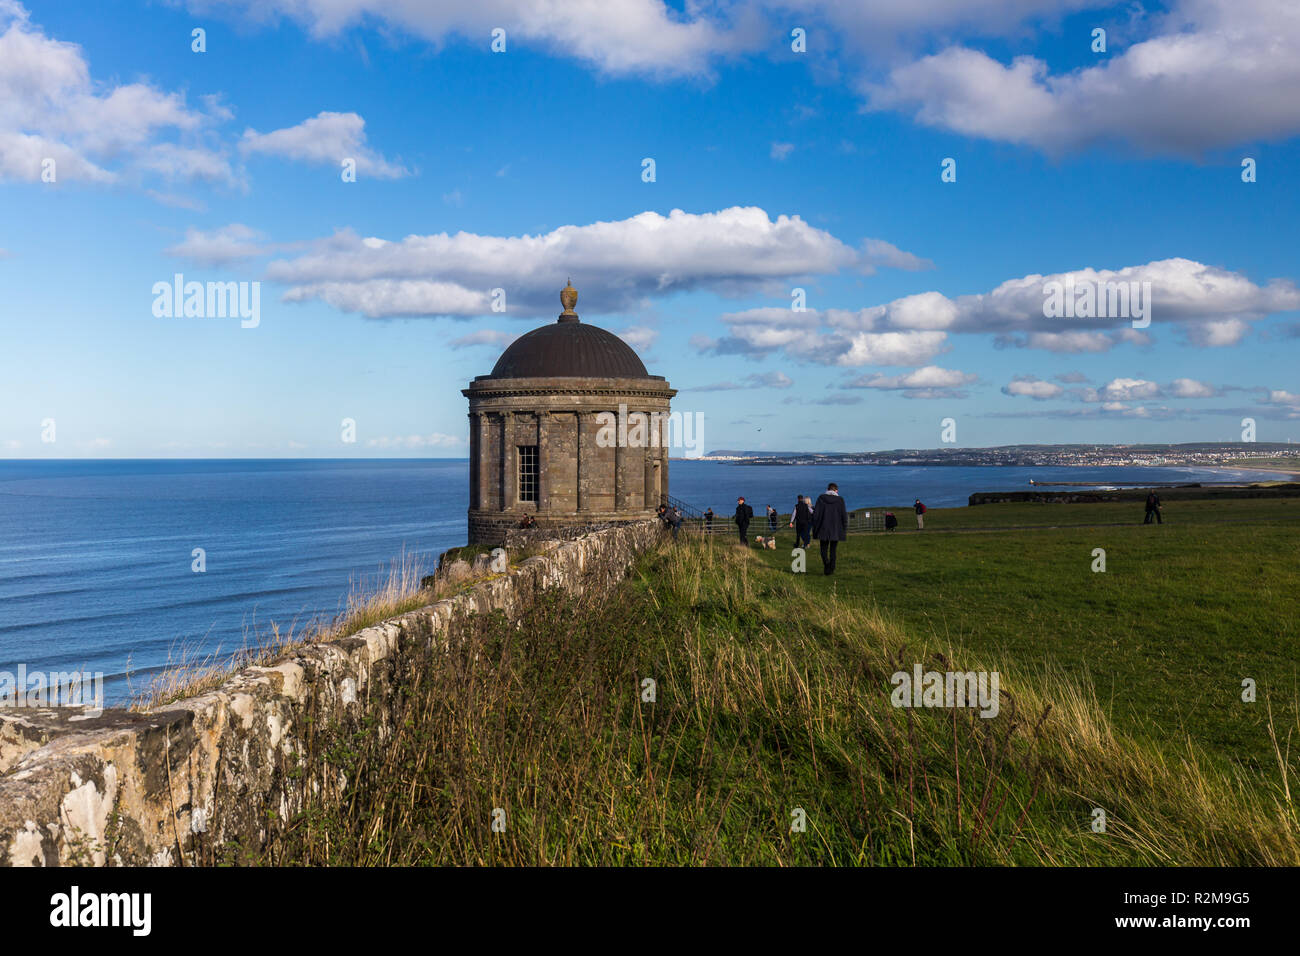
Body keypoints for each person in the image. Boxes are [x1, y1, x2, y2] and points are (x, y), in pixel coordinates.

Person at [811, 482, 848, 575]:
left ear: (827, 489)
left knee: (823, 549)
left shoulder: (821, 498)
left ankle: (827, 564)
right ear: (836, 490)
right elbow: (844, 515)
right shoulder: (840, 500)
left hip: (823, 528)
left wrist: (815, 527)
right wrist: (844, 528)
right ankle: (831, 568)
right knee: (833, 550)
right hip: (836, 528)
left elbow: (816, 515)